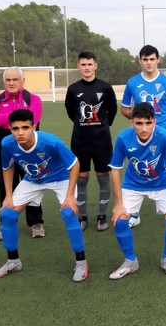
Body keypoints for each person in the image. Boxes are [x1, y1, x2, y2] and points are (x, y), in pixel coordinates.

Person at [0, 109, 88, 282]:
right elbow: (7, 167)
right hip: (33, 179)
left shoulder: (51, 142)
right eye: (15, 128)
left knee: (68, 213)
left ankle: (81, 262)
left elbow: (74, 164)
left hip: (60, 178)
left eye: (25, 127)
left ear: (34, 126)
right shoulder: (6, 144)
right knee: (7, 214)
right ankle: (13, 261)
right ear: (10, 129)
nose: (20, 132)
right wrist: (8, 196)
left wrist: (70, 196)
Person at [108, 103, 166, 279]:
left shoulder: (165, 137)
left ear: (155, 122)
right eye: (139, 123)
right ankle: (130, 261)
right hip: (133, 184)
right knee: (120, 220)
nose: (144, 128)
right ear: (131, 122)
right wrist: (118, 204)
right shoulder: (123, 138)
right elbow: (115, 169)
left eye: (148, 123)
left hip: (161, 184)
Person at [120, 45, 166, 229]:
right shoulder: (133, 83)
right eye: (145, 59)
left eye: (152, 59)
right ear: (139, 60)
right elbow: (125, 109)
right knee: (137, 167)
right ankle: (134, 214)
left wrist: (161, 126)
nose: (148, 63)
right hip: (139, 136)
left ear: (158, 60)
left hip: (164, 135)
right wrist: (139, 124)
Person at [0, 66, 45, 240]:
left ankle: (36, 222)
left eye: (15, 79)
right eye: (8, 80)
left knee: (33, 185)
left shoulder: (33, 99)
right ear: (4, 82)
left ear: (22, 81)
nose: (11, 83)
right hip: (4, 151)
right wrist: (17, 118)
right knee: (6, 188)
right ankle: (7, 224)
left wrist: (5, 118)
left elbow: (33, 119)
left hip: (29, 151)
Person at [65, 51, 118, 232]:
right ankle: (83, 216)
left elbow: (112, 109)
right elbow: (71, 113)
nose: (87, 68)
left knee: (103, 177)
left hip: (101, 141)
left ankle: (102, 216)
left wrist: (101, 125)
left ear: (95, 66)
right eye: (83, 64)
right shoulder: (73, 89)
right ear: (78, 66)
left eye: (90, 64)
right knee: (81, 179)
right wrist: (84, 126)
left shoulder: (105, 88)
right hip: (80, 142)